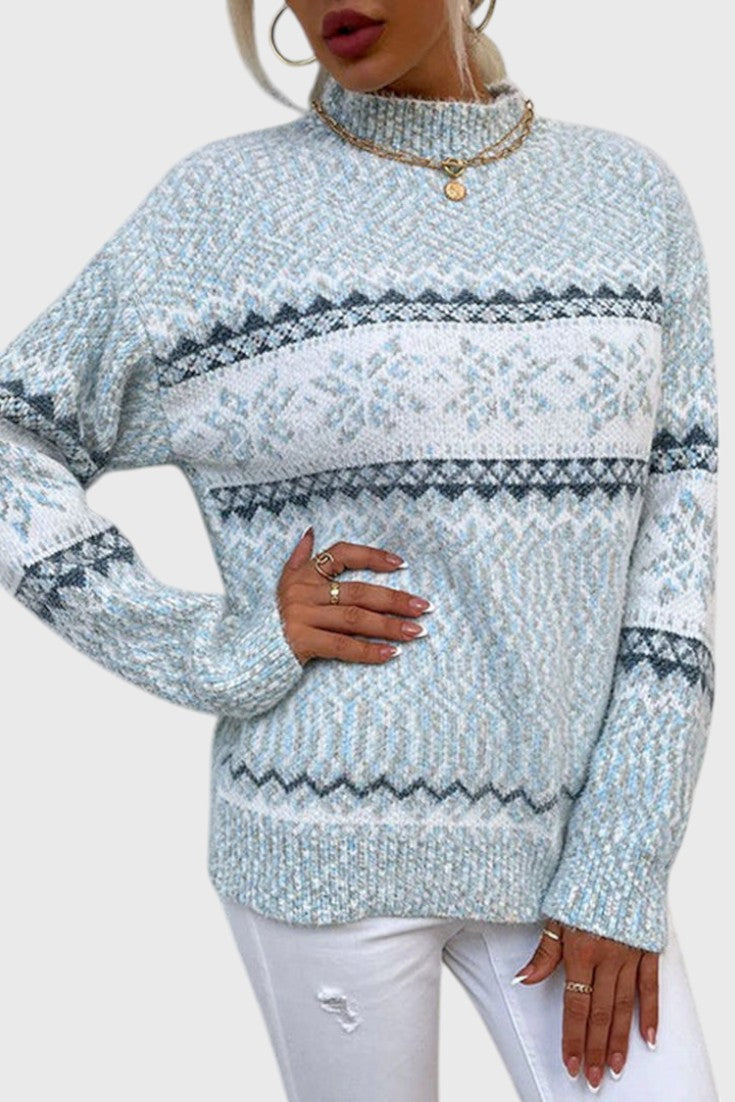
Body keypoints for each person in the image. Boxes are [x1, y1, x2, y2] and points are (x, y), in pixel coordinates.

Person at [0, 0, 720, 1098]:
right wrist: (218, 646)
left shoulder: (630, 196)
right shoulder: (218, 210)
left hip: (574, 847)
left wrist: (623, 857)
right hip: (322, 833)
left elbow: (678, 543)